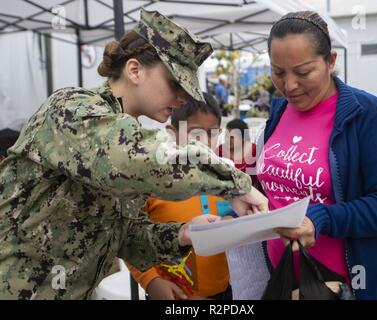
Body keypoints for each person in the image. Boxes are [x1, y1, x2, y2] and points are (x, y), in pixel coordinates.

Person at [0, 9, 268, 300]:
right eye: (175, 83)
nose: (183, 98)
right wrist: (234, 183)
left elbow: (122, 236)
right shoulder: (72, 110)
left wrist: (182, 234)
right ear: (135, 70)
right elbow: (141, 159)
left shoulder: (125, 132)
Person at [253, 11, 377, 300]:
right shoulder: (279, 111)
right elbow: (272, 185)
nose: (289, 86)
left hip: (346, 287)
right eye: (278, 72)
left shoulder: (367, 115)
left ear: (330, 61)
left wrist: (320, 218)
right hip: (283, 280)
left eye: (302, 72)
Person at [126, 93, 235, 300]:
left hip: (224, 292)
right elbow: (129, 235)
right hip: (171, 293)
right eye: (195, 133)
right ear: (172, 132)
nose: (204, 142)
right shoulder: (151, 181)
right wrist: (151, 281)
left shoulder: (227, 178)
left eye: (212, 133)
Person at [217, 119, 258, 188]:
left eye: (232, 137)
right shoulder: (220, 150)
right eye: (226, 135)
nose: (228, 139)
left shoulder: (254, 150)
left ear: (243, 138)